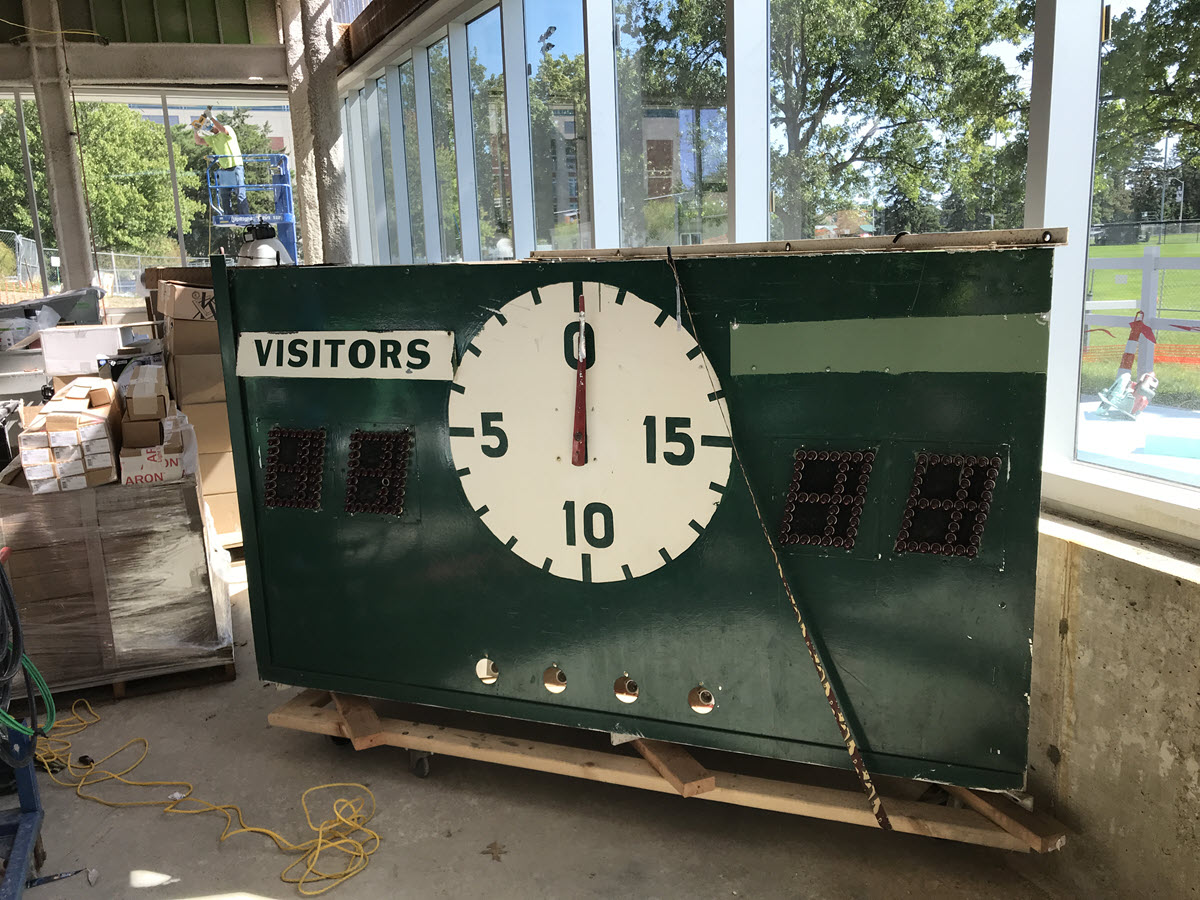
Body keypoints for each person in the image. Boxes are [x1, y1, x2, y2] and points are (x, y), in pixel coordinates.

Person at [193, 113, 249, 216]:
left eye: (212, 128)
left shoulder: (227, 129)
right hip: (224, 168)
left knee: (240, 193)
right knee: (224, 195)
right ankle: (228, 215)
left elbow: (223, 130)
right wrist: (196, 129)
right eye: (210, 130)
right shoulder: (212, 138)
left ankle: (244, 215)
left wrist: (211, 117)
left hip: (235, 166)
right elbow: (198, 141)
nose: (212, 131)